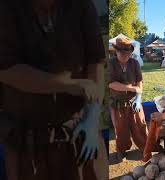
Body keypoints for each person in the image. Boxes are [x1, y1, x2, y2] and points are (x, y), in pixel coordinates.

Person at [0, 0, 108, 179]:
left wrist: (93, 115)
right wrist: (66, 85)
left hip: (78, 131)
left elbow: (95, 61)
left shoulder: (82, 5)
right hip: (27, 140)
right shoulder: (7, 7)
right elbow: (5, 69)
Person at [108, 37, 148, 161]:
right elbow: (110, 84)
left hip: (133, 101)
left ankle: (145, 146)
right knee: (120, 129)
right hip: (117, 102)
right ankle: (122, 150)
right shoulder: (110, 63)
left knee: (140, 125)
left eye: (128, 53)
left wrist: (138, 98)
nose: (126, 56)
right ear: (116, 51)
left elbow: (140, 81)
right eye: (123, 53)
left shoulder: (134, 63)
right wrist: (131, 88)